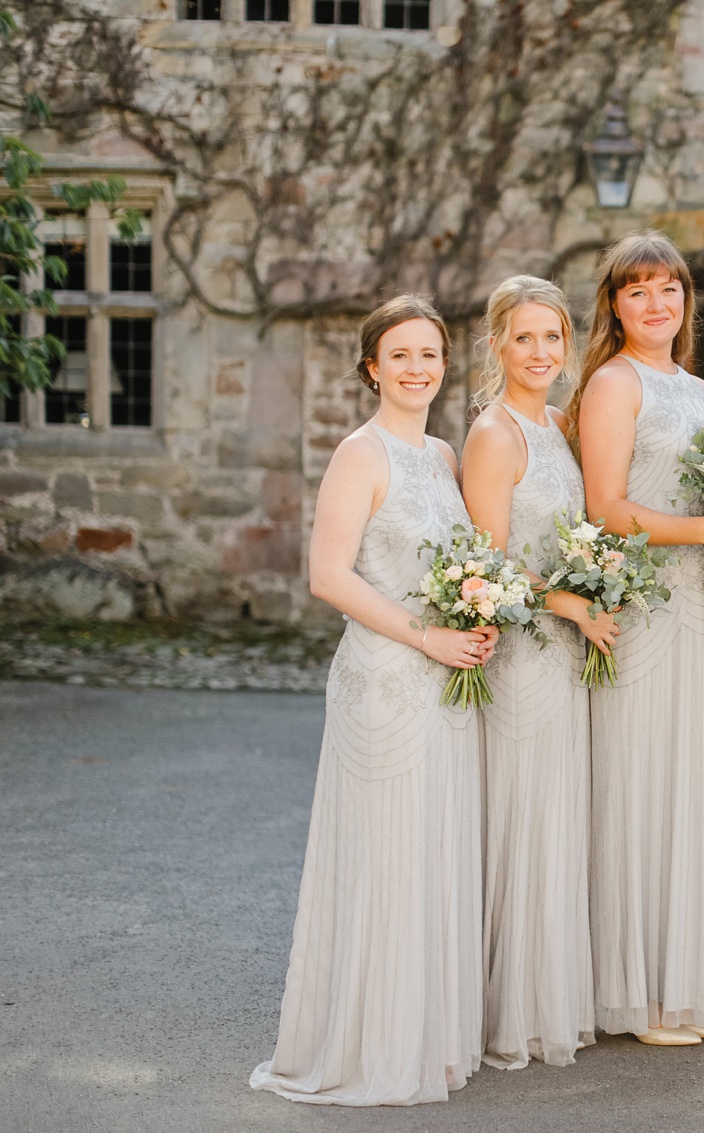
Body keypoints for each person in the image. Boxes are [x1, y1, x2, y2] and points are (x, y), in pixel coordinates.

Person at [251, 295, 492, 1105]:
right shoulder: (361, 453)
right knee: (387, 860)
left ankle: (424, 1033)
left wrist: (474, 619)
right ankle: (369, 1046)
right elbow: (329, 576)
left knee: (431, 855)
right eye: (401, 355)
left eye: (430, 354)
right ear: (372, 368)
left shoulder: (444, 455)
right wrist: (427, 638)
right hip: (386, 685)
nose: (418, 368)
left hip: (447, 684)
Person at [568, 232, 704, 1046]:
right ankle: (632, 993)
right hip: (642, 604)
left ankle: (679, 982)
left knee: (689, 777)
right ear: (614, 304)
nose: (655, 303)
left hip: (702, 608)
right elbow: (607, 508)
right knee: (638, 778)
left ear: (685, 300)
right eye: (636, 290)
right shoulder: (611, 382)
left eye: (668, 288)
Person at [462, 276, 615, 1069]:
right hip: (524, 653)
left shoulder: (557, 422)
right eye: (524, 338)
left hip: (564, 654)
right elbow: (489, 572)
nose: (542, 352)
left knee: (556, 817)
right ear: (497, 346)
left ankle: (547, 991)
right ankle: (506, 1009)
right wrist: (575, 604)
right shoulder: (494, 436)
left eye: (553, 337)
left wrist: (595, 593)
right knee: (521, 817)